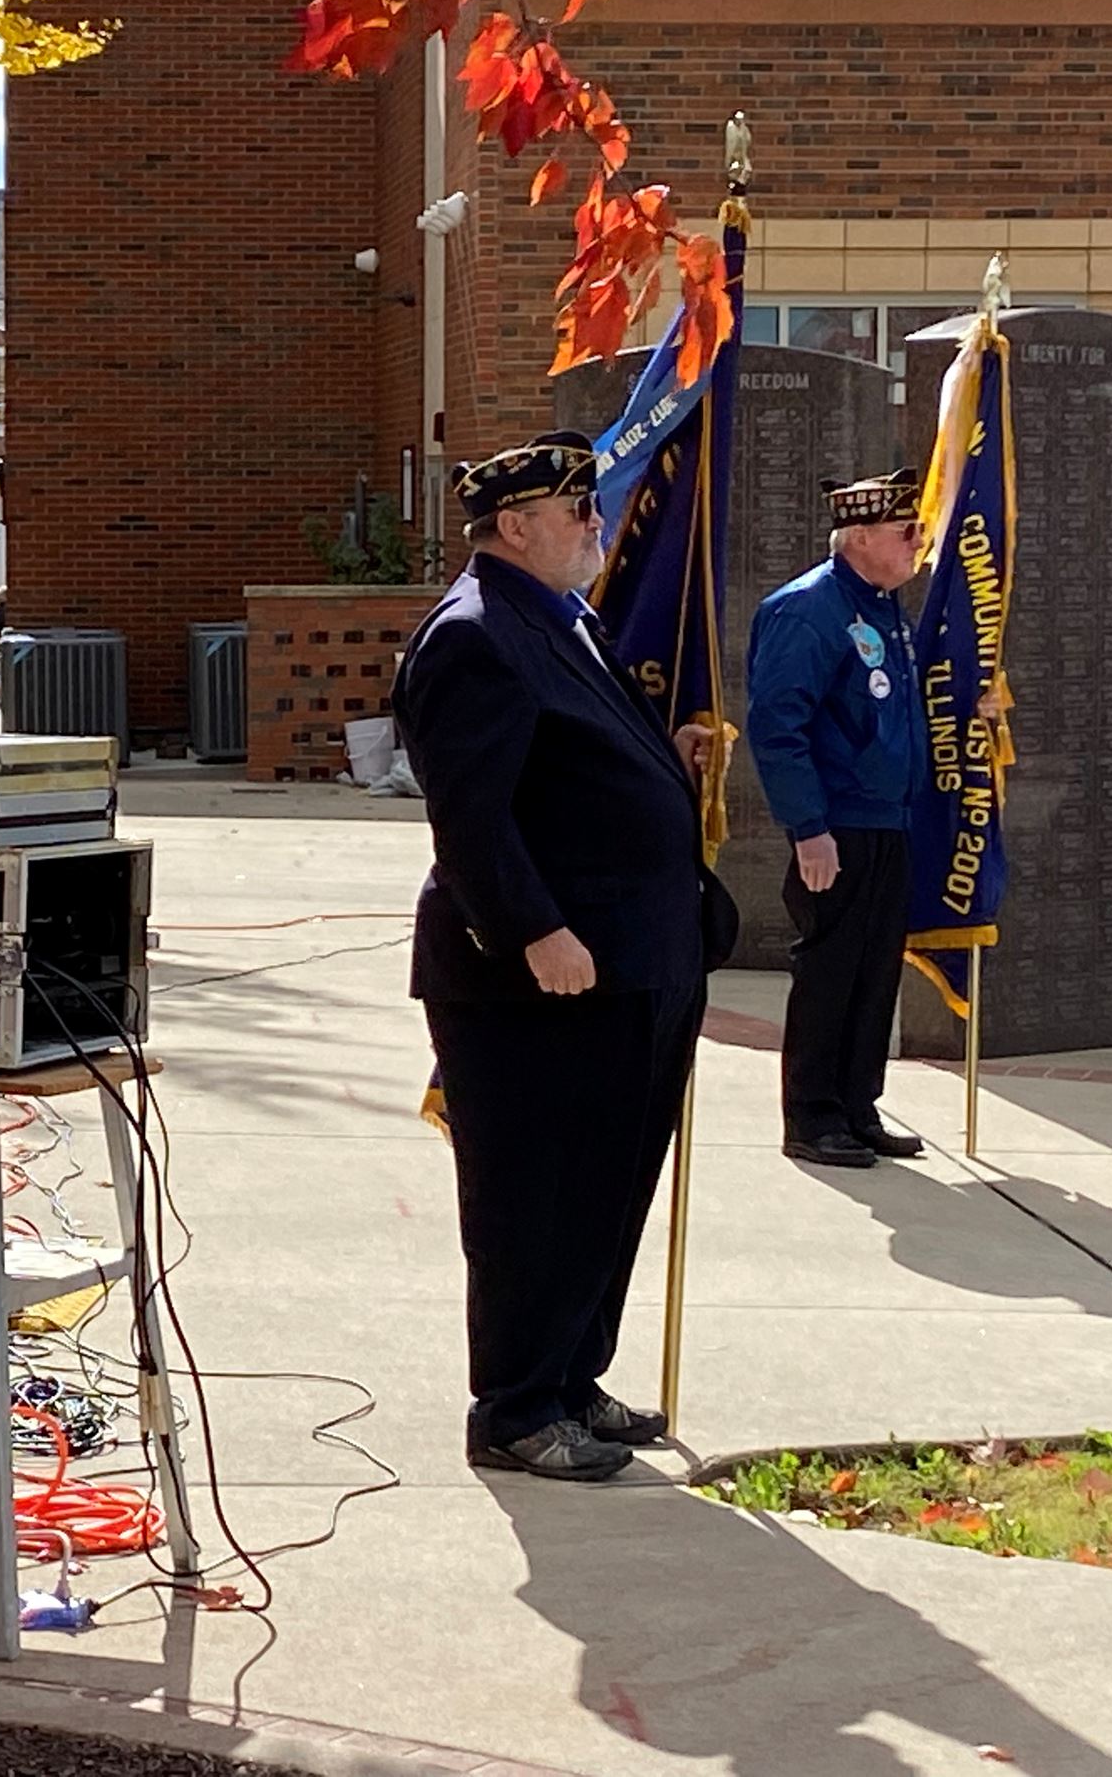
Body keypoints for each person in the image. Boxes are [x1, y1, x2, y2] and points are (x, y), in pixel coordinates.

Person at [393, 431, 738, 1484]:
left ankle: (569, 1376)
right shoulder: (475, 636)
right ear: (512, 527)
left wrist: (661, 763)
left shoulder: (560, 621)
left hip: (631, 963)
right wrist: (533, 930)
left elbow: (570, 770)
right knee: (532, 1197)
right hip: (539, 977)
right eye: (577, 512)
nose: (596, 526)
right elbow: (473, 818)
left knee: (603, 1187)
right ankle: (512, 1408)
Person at [743, 470, 932, 1171]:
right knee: (831, 970)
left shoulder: (884, 607)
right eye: (906, 531)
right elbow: (777, 726)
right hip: (838, 824)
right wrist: (808, 826)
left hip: (888, 817)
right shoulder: (808, 610)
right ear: (860, 537)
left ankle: (857, 1104)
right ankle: (812, 1113)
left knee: (874, 970)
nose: (918, 543)